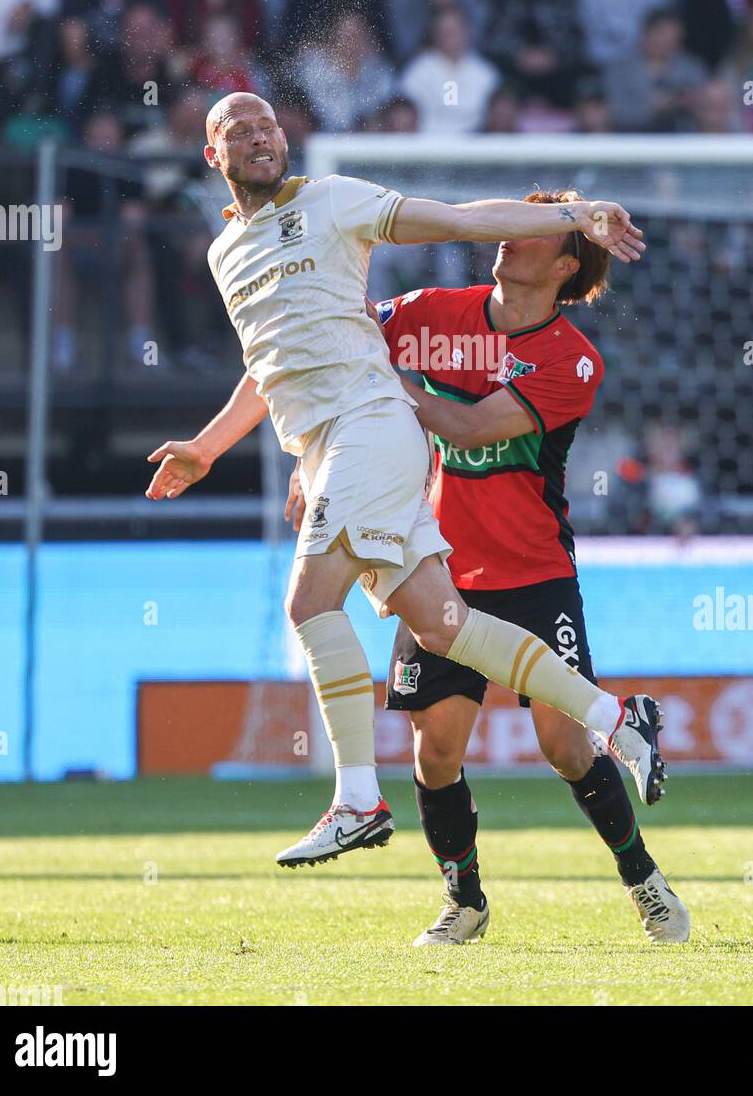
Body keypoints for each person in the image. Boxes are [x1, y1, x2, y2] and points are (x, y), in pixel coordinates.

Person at [145, 91, 666, 870]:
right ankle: (616, 716)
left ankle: (357, 797)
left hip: (377, 431)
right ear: (211, 155)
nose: (259, 137)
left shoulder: (332, 201)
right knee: (442, 627)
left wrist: (576, 214)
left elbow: (459, 219)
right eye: (237, 130)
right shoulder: (226, 254)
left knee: (307, 601)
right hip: (333, 443)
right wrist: (211, 448)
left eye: (268, 125)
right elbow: (275, 368)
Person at [283, 191, 690, 946]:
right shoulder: (430, 309)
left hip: (533, 570)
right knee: (434, 750)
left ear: (566, 263)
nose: (509, 239)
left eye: (535, 232)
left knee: (565, 747)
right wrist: (320, 453)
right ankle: (464, 902)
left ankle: (644, 880)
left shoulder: (571, 358)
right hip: (433, 561)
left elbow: (467, 429)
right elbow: (341, 344)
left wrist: (386, 394)